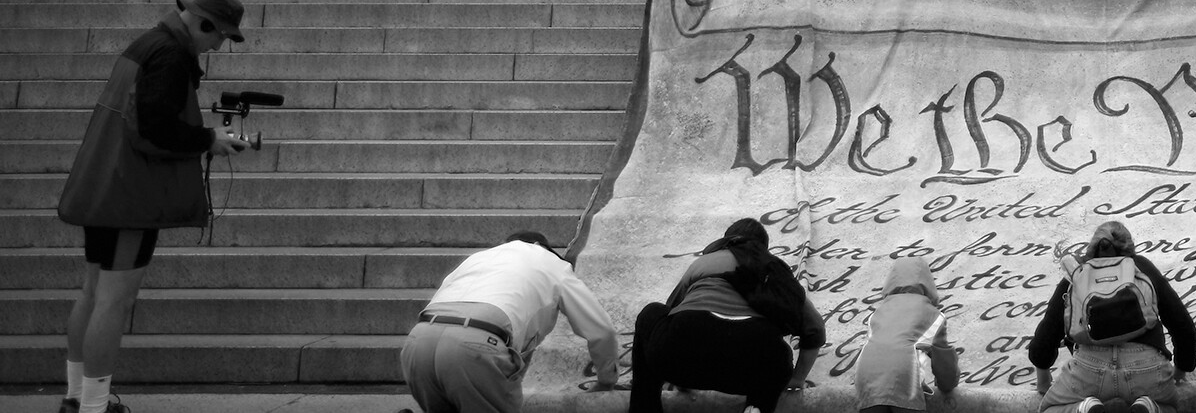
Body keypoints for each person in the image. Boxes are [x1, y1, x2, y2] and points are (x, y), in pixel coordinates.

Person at [55, 0, 254, 413]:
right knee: (113, 299)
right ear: (202, 23)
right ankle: (93, 407)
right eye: (219, 36)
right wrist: (209, 139)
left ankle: (76, 397)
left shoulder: (147, 42)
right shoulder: (169, 54)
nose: (219, 46)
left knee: (92, 292)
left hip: (108, 185)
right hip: (131, 196)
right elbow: (154, 129)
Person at [401, 232, 619, 413]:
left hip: (419, 342)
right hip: (477, 343)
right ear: (541, 246)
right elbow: (601, 329)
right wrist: (606, 380)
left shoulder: (478, 258)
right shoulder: (551, 263)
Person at [630, 219, 826, 413]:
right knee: (772, 363)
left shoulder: (704, 262)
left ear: (726, 242)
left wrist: (681, 372)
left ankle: (645, 406)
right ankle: (756, 407)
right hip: (755, 364)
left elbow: (670, 314)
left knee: (652, 312)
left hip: (684, 351)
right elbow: (815, 329)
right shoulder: (773, 270)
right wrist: (797, 379)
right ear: (763, 247)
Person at [1029, 221, 1196, 413]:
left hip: (1089, 369)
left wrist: (1043, 378)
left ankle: (1082, 408)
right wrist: (1181, 369)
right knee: (1169, 407)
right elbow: (1182, 324)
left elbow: (1047, 334)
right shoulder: (1142, 267)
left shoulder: (1079, 272)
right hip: (1146, 366)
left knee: (1049, 409)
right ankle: (1151, 406)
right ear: (1130, 246)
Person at [856, 258, 961, 413]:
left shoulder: (876, 314)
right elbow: (945, 364)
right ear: (928, 282)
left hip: (865, 379)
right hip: (904, 377)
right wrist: (947, 386)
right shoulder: (933, 315)